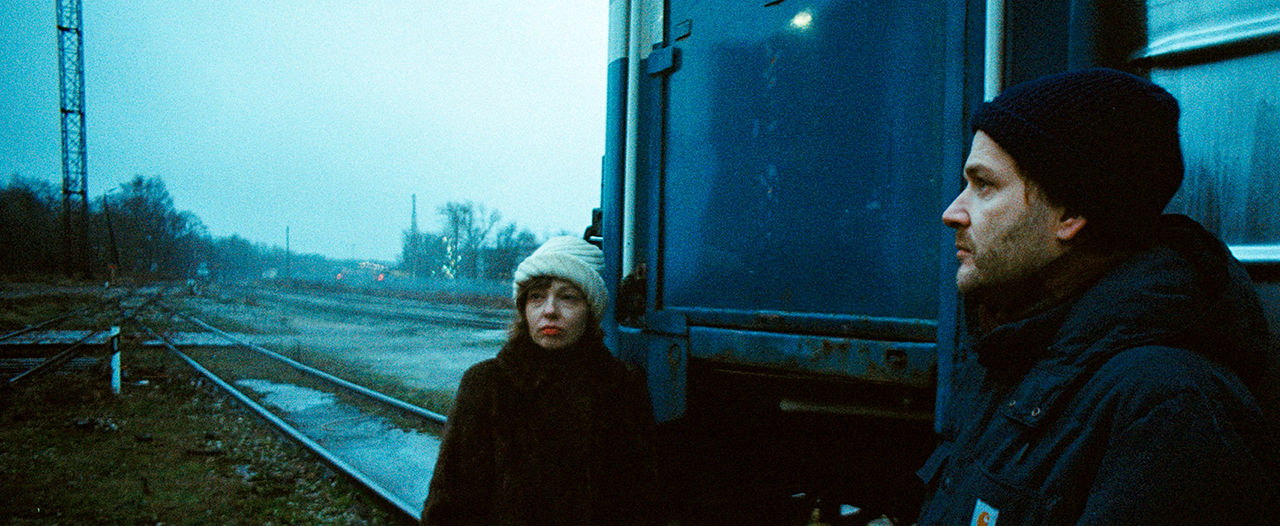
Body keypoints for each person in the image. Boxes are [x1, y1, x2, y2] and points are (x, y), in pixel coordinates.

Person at [916, 68, 1279, 525]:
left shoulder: (1165, 406)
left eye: (984, 185)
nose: (952, 212)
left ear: (1070, 214)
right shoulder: (1010, 351)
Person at [421, 235, 657, 526]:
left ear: (591, 310)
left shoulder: (621, 388)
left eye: (568, 297)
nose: (550, 310)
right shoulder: (486, 385)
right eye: (536, 297)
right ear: (523, 309)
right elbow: (449, 507)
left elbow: (640, 504)